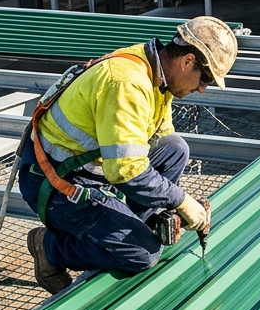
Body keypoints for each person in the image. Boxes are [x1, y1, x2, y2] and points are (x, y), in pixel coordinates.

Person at [19, 16, 238, 293]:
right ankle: (49, 248)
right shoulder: (128, 83)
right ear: (188, 61)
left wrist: (171, 204)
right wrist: (182, 201)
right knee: (142, 253)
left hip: (93, 168)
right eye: (205, 78)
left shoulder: (158, 75)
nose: (203, 88)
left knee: (175, 149)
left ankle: (132, 224)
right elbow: (126, 171)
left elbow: (158, 140)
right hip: (56, 183)